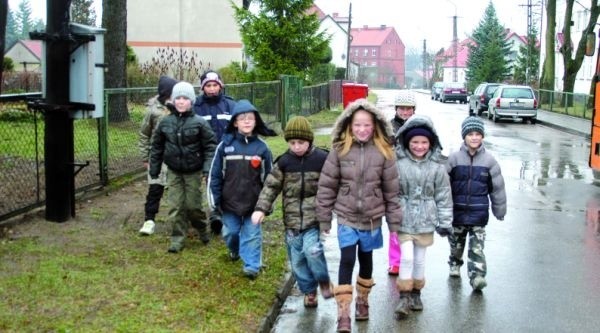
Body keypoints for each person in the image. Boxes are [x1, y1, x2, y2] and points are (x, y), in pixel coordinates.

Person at [316, 98, 402, 332]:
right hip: (346, 215)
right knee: (346, 259)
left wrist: (394, 224)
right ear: (348, 126)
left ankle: (362, 300)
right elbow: (326, 185)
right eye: (357, 125)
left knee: (366, 260)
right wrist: (324, 218)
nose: (362, 130)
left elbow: (392, 191)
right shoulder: (340, 150)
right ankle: (343, 311)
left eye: (366, 125)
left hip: (372, 218)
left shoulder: (384, 152)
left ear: (375, 125)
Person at [251, 116, 333, 308]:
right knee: (297, 262)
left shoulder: (322, 159)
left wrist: (328, 215)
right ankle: (309, 291)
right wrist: (261, 209)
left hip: (314, 220)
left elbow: (332, 187)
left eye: (301, 142)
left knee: (312, 251)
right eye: (292, 142)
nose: (296, 147)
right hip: (292, 222)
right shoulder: (284, 162)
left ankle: (323, 279)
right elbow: (270, 187)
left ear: (309, 140)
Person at [392, 114, 453, 319]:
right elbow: (391, 192)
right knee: (407, 257)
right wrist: (392, 214)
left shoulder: (437, 167)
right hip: (405, 219)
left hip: (426, 219)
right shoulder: (398, 164)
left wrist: (445, 222)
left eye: (424, 142)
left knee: (419, 260)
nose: (419, 146)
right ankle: (404, 296)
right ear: (407, 142)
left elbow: (443, 196)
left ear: (431, 143)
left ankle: (417, 293)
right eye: (415, 142)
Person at [208, 99, 277, 279]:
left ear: (256, 122)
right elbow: (214, 176)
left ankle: (252, 266)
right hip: (229, 202)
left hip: (253, 204)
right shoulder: (225, 147)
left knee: (252, 235)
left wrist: (265, 205)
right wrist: (214, 202)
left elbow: (271, 180)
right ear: (235, 122)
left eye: (250, 118)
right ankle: (234, 251)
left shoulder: (262, 148)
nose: (246, 121)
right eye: (242, 118)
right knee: (231, 233)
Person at [149, 81, 217, 253]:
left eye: (185, 98)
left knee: (193, 206)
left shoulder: (199, 123)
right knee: (176, 206)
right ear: (172, 100)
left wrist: (207, 168)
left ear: (191, 101)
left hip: (193, 171)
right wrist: (154, 168)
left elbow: (210, 146)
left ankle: (202, 228)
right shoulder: (165, 122)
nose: (180, 102)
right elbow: (157, 146)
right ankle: (177, 238)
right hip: (174, 171)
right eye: (177, 98)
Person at [446, 116, 506, 292]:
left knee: (477, 248)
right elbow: (443, 186)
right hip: (457, 213)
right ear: (464, 136)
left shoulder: (489, 161)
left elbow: (497, 188)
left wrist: (499, 209)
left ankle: (477, 276)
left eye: (478, 134)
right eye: (470, 134)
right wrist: (442, 209)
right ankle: (454, 263)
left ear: (482, 137)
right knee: (456, 244)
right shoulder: (454, 159)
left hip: (478, 213)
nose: (474, 137)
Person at [194, 70, 237, 235]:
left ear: (220, 86)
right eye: (208, 86)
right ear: (203, 87)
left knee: (229, 183)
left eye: (215, 85)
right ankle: (215, 213)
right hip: (206, 154)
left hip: (228, 151)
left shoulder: (230, 105)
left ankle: (227, 213)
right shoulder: (196, 107)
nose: (212, 89)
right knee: (212, 183)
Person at [138, 76, 178, 235]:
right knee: (155, 188)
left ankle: (179, 221)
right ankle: (149, 220)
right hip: (157, 156)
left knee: (178, 190)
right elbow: (144, 134)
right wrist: (145, 157)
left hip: (176, 155)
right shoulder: (153, 111)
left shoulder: (181, 106)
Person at [387, 90, 417, 276]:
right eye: (402, 108)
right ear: (396, 109)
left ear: (414, 110)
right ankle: (396, 261)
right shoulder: (389, 128)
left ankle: (411, 257)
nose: (405, 112)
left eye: (409, 109)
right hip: (395, 180)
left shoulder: (420, 126)